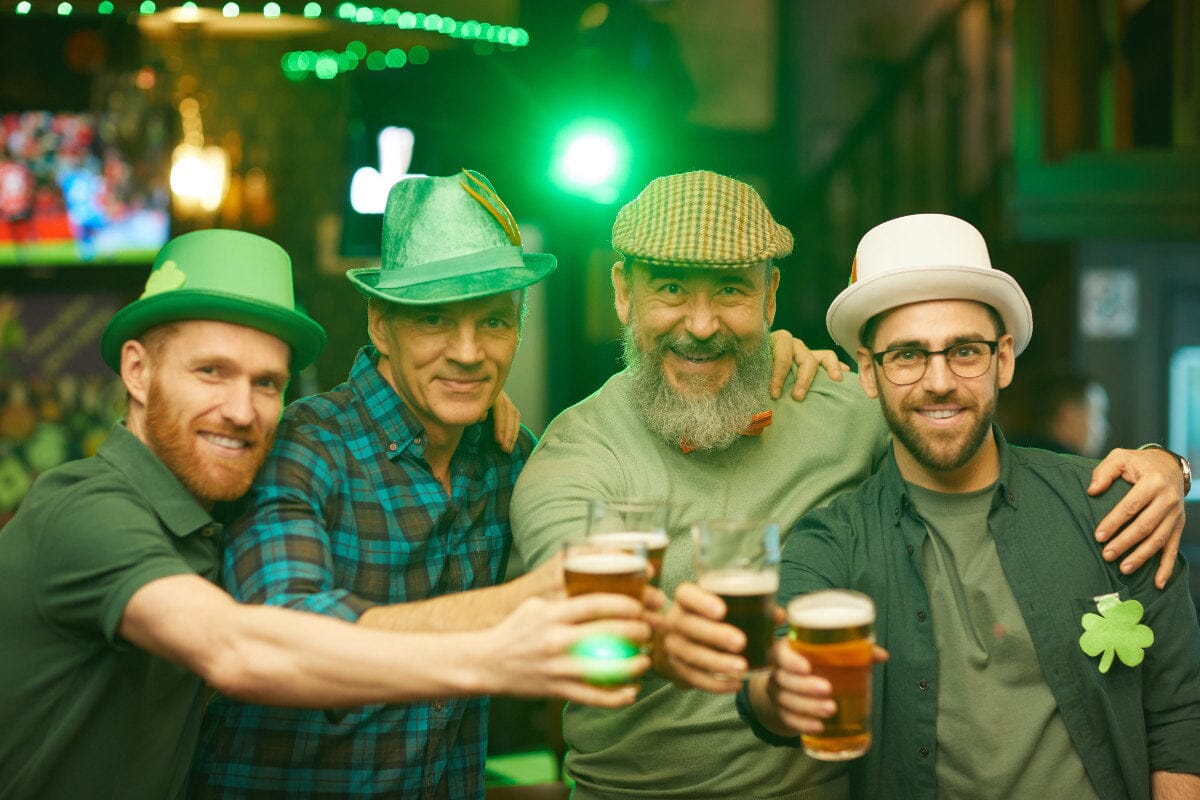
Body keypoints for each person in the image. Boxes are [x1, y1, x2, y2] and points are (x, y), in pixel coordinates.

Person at [511, 173, 1190, 800]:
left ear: (770, 299)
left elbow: (940, 420)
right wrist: (763, 679)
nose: (701, 323)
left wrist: (1169, 466)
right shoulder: (578, 457)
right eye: (670, 289)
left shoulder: (844, 405)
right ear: (623, 291)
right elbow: (578, 622)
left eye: (730, 290)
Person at [0, 228, 654, 800]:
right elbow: (238, 647)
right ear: (137, 373)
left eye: (267, 384)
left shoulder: (208, 510)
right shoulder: (86, 508)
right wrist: (499, 648)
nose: (240, 409)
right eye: (209, 371)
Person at [688, 213, 1199, 798]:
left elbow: (1181, 711)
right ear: (868, 372)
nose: (938, 381)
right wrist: (778, 688)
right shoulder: (833, 539)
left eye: (964, 350)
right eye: (906, 355)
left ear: (1003, 359)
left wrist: (1172, 467)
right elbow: (767, 685)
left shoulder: (1110, 507)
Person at [1011, 370, 1111, 457]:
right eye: (1098, 415)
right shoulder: (1074, 474)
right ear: (1069, 415)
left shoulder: (1008, 453)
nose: (1107, 429)